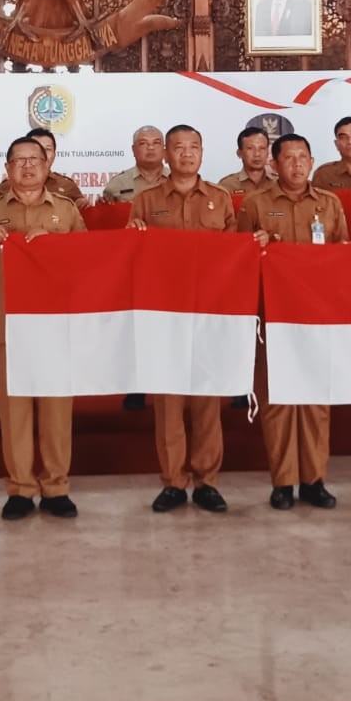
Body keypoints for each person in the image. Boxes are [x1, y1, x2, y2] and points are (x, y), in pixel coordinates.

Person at [0, 136, 87, 520]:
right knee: (13, 412)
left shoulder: (65, 212)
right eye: (20, 161)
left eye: (35, 160)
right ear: (7, 169)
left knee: (55, 411)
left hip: (54, 325)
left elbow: (88, 263)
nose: (28, 167)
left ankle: (56, 487)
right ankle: (20, 488)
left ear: (47, 165)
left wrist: (58, 247)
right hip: (7, 326)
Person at [127, 124, 236, 514]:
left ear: (203, 153)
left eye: (194, 147)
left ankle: (207, 480)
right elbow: (133, 257)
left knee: (208, 399)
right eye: (178, 148)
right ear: (166, 156)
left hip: (209, 314)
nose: (186, 154)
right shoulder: (146, 200)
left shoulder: (221, 200)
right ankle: (173, 480)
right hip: (165, 316)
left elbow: (233, 258)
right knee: (169, 402)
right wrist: (134, 235)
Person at [237, 133, 347, 510]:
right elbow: (238, 263)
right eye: (289, 158)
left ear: (313, 162)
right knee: (278, 401)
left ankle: (314, 479)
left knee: (316, 402)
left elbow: (343, 259)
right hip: (273, 318)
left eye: (304, 157)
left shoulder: (330, 205)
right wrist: (255, 246)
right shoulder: (256, 204)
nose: (297, 164)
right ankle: (283, 482)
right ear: (274, 164)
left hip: (316, 318)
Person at [0, 128, 86, 208]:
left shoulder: (67, 186)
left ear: (54, 154)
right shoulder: (5, 188)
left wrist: (84, 205)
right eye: (37, 149)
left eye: (48, 149)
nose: (43, 154)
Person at [101, 125, 167, 203]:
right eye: (143, 143)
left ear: (164, 149)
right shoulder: (117, 184)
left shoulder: (179, 180)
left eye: (156, 143)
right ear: (133, 149)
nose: (150, 147)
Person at [217, 126, 276, 196]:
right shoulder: (227, 185)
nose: (257, 154)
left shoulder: (280, 183)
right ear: (239, 153)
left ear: (267, 152)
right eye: (250, 148)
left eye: (262, 148)